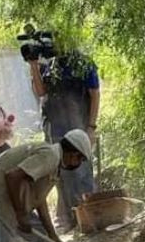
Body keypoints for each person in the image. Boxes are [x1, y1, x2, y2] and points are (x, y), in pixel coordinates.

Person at [28, 51, 99, 232]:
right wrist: (33, 65)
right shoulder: (48, 65)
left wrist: (91, 127)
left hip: (79, 128)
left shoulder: (82, 62)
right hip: (56, 131)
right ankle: (73, 221)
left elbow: (95, 93)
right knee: (62, 178)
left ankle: (90, 221)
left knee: (82, 175)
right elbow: (41, 92)